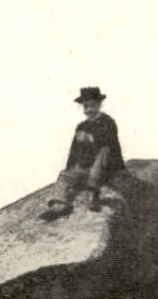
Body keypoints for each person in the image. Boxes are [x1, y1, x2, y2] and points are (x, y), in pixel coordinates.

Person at [43, 86, 125, 218]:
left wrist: (94, 177)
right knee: (65, 176)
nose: (89, 110)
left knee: (102, 154)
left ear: (99, 105)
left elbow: (107, 150)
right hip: (85, 167)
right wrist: (71, 169)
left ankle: (93, 194)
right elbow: (74, 151)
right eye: (86, 107)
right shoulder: (82, 126)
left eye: (92, 106)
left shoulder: (107, 123)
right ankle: (60, 204)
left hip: (106, 167)